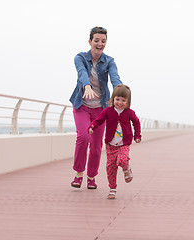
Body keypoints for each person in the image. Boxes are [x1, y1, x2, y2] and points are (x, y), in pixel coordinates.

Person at [69, 26, 122, 189]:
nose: (100, 44)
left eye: (103, 41)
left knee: (97, 145)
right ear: (90, 41)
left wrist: (121, 91)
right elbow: (81, 73)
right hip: (82, 105)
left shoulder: (109, 61)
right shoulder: (80, 57)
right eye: (97, 40)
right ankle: (79, 174)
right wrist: (86, 86)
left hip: (100, 109)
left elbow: (115, 78)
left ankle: (91, 177)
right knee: (83, 137)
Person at [88, 84, 141, 199]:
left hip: (124, 144)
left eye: (123, 100)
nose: (120, 102)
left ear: (128, 101)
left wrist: (137, 135)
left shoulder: (129, 113)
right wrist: (92, 127)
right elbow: (99, 120)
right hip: (110, 145)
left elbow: (136, 122)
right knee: (111, 168)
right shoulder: (108, 111)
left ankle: (127, 168)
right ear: (113, 99)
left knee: (122, 160)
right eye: (117, 99)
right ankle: (112, 188)